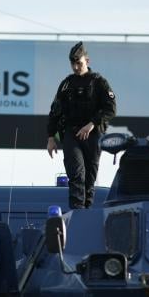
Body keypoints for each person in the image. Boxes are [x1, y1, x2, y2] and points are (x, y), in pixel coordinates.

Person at [47, 42, 117, 209]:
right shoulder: (67, 84)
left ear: (87, 60)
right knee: (77, 174)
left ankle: (87, 212)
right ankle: (77, 212)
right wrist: (51, 137)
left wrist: (92, 124)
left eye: (79, 63)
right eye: (73, 63)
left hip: (93, 135)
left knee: (90, 178)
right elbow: (55, 111)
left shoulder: (99, 82)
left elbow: (111, 108)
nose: (76, 67)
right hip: (72, 133)